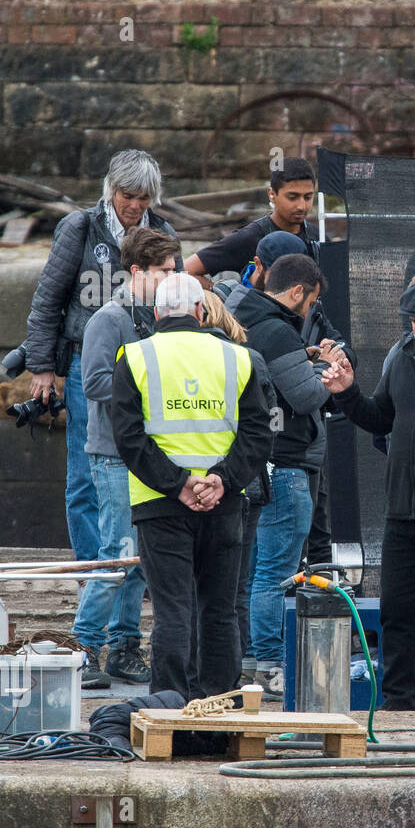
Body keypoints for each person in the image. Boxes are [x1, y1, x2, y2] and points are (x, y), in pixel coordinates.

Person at [111, 273, 273, 700]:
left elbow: (129, 438)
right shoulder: (239, 357)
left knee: (173, 610)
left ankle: (170, 702)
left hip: (159, 504)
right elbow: (258, 434)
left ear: (158, 312)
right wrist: (221, 480)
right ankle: (219, 701)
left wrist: (178, 484)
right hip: (224, 503)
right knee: (219, 610)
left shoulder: (134, 356)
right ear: (201, 312)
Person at [321, 274, 415, 709]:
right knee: (396, 612)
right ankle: (399, 704)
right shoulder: (401, 354)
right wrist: (347, 394)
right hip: (403, 513)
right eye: (413, 321)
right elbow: (379, 419)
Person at [23, 149, 181, 563]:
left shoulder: (163, 233)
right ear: (111, 190)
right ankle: (94, 572)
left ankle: (136, 565)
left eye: (143, 198)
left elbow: (176, 301)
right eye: (127, 195)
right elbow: (47, 300)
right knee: (85, 471)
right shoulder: (78, 228)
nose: (134, 206)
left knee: (148, 461)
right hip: (86, 365)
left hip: (148, 365)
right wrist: (41, 367)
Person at [232, 254, 344, 698]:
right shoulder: (278, 329)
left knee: (252, 571)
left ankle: (250, 664)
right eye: (310, 302)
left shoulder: (243, 318)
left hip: (255, 466)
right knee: (274, 576)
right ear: (297, 292)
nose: (309, 313)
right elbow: (304, 396)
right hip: (287, 467)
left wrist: (304, 356)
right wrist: (326, 372)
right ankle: (272, 669)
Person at [74, 226, 178, 689]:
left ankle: (123, 646)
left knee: (139, 558)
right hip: (114, 455)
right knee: (117, 555)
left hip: (145, 454)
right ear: (137, 272)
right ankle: (82, 646)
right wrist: (145, 385)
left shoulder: (158, 316)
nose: (172, 278)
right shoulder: (107, 320)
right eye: (164, 271)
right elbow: (92, 383)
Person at [199, 291, 275, 686]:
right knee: (235, 588)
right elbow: (263, 423)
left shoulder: (175, 358)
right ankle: (238, 668)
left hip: (186, 488)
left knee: (195, 592)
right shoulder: (247, 358)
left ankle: (203, 670)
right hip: (241, 487)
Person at [184, 156, 318, 290]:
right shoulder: (249, 238)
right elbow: (185, 271)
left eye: (308, 197)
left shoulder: (318, 238)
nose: (301, 205)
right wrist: (224, 295)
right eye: (292, 197)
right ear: (272, 194)